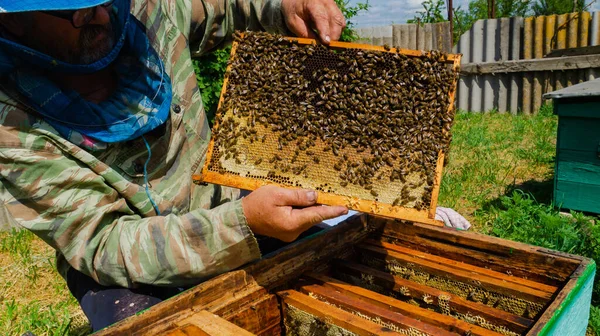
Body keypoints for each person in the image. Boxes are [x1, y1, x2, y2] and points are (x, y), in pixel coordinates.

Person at [0, 0, 470, 331]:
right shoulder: (11, 126)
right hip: (131, 272)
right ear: (15, 22)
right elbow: (106, 245)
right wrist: (241, 226)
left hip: (235, 208)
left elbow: (225, 5)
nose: (100, 14)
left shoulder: (139, 10)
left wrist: (280, 6)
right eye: (76, 9)